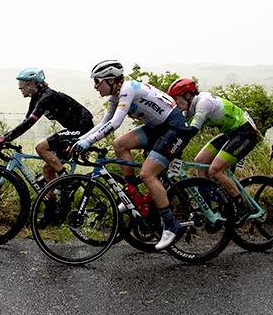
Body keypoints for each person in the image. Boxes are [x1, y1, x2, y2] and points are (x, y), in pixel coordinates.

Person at [72, 60, 194, 251]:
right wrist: (81, 140)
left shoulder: (127, 89)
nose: (95, 86)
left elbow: (116, 123)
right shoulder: (115, 95)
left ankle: (171, 225)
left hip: (174, 128)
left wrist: (89, 142)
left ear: (111, 80)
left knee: (147, 175)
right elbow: (104, 122)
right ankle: (131, 194)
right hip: (158, 128)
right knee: (120, 144)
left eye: (97, 82)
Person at [167, 78, 259, 217]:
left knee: (215, 170)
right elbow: (179, 128)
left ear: (187, 96)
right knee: (200, 160)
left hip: (245, 132)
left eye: (176, 99)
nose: (175, 103)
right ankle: (206, 205)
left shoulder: (204, 103)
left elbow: (191, 131)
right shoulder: (190, 105)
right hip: (231, 132)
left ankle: (242, 207)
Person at [0, 67, 94, 184]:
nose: (19, 87)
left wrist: (3, 138)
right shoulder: (36, 98)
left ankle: (68, 182)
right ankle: (54, 200)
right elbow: (25, 123)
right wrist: (5, 138)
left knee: (41, 147)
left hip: (83, 128)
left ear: (31, 83)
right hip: (74, 128)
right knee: (47, 169)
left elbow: (28, 124)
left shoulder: (46, 97)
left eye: (21, 83)